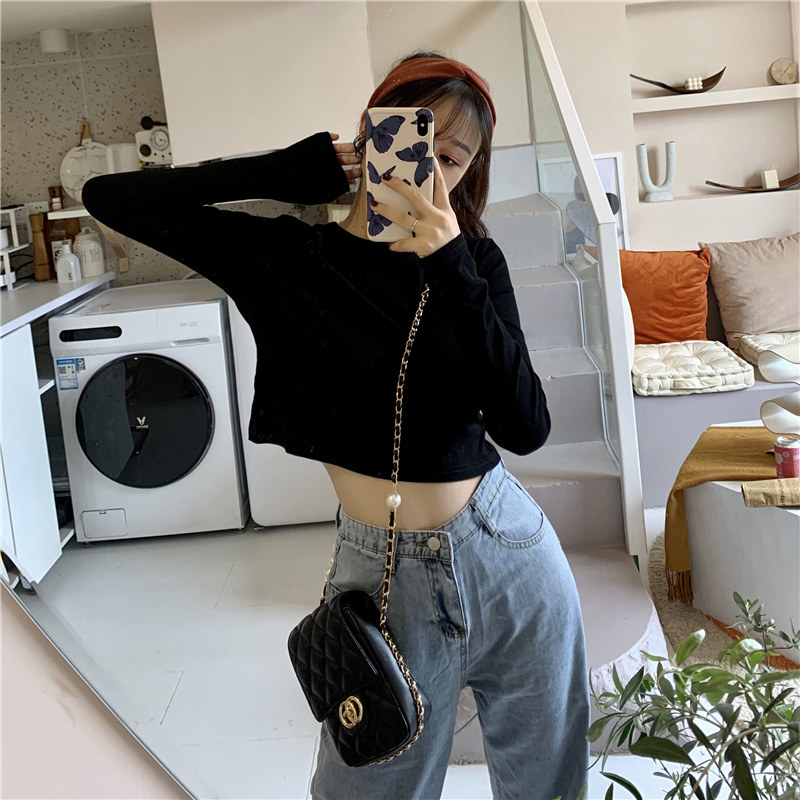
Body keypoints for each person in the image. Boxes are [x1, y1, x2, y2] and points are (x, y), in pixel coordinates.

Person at [83, 51, 590, 800]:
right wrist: (290, 171)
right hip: (382, 576)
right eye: (416, 140)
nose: (431, 170)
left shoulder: (474, 262)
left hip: (510, 554)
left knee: (548, 786)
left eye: (454, 158)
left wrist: (450, 262)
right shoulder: (289, 259)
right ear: (370, 135)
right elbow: (111, 196)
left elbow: (527, 426)